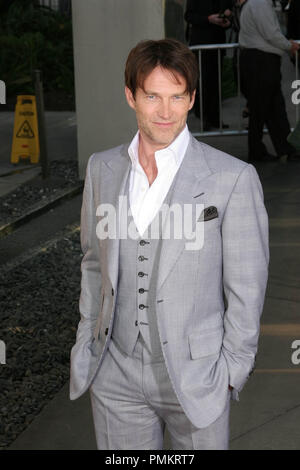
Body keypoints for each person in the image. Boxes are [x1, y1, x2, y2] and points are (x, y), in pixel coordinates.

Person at [69, 39, 269, 450]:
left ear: (191, 98)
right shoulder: (102, 168)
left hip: (199, 376)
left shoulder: (231, 177)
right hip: (115, 372)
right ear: (131, 96)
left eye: (177, 97)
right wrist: (87, 337)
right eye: (153, 97)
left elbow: (247, 285)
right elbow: (93, 263)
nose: (165, 112)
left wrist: (234, 367)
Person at [239, 0, 300, 162]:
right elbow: (271, 34)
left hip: (260, 61)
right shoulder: (260, 4)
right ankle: (259, 151)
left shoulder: (256, 3)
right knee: (263, 108)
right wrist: (289, 46)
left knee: (273, 107)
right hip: (261, 62)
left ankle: (285, 148)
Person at [184, 0, 233, 129]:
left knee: (216, 82)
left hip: (217, 43)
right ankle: (204, 118)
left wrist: (227, 19)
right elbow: (189, 16)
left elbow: (229, 12)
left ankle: (215, 118)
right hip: (202, 44)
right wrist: (208, 19)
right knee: (203, 83)